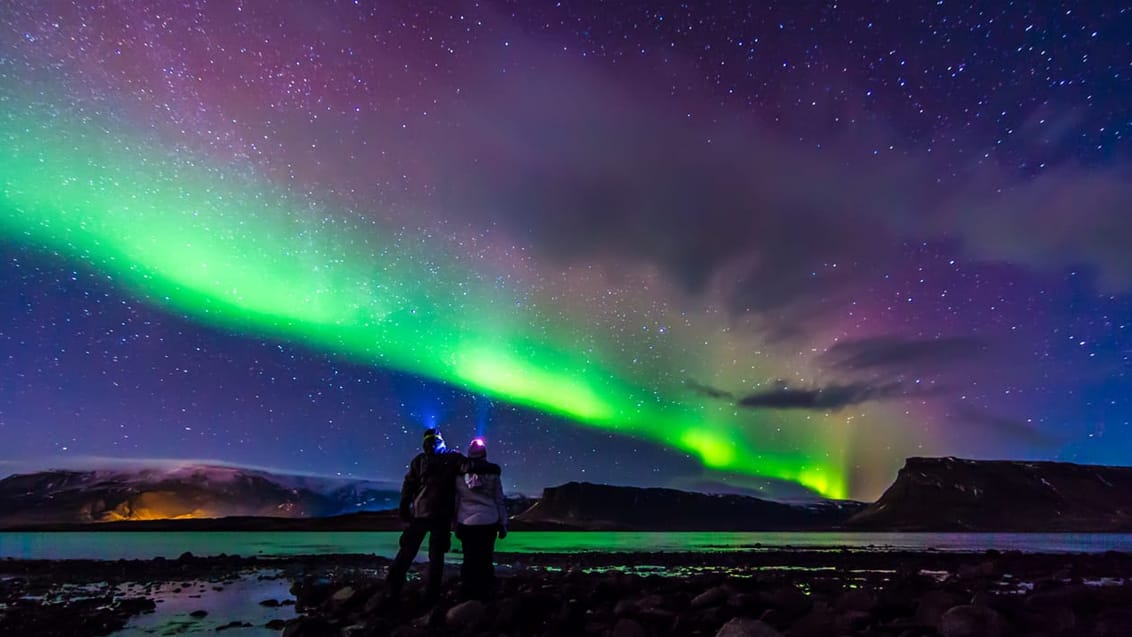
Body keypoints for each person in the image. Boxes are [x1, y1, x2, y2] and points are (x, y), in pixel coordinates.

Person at [385, 428, 464, 603]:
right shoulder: (453, 458)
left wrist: (405, 505)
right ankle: (432, 594)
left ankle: (392, 589)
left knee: (407, 551)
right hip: (442, 515)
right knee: (436, 556)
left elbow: (409, 484)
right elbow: (468, 469)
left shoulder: (419, 460)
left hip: (420, 513)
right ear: (441, 440)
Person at [454, 437, 508, 600]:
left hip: (466, 522)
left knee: (469, 558)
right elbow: (499, 499)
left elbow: (456, 501)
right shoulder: (493, 474)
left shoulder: (458, 475)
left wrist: (454, 523)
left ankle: (467, 592)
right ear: (484, 454)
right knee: (485, 558)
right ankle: (485, 593)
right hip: (489, 521)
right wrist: (503, 523)